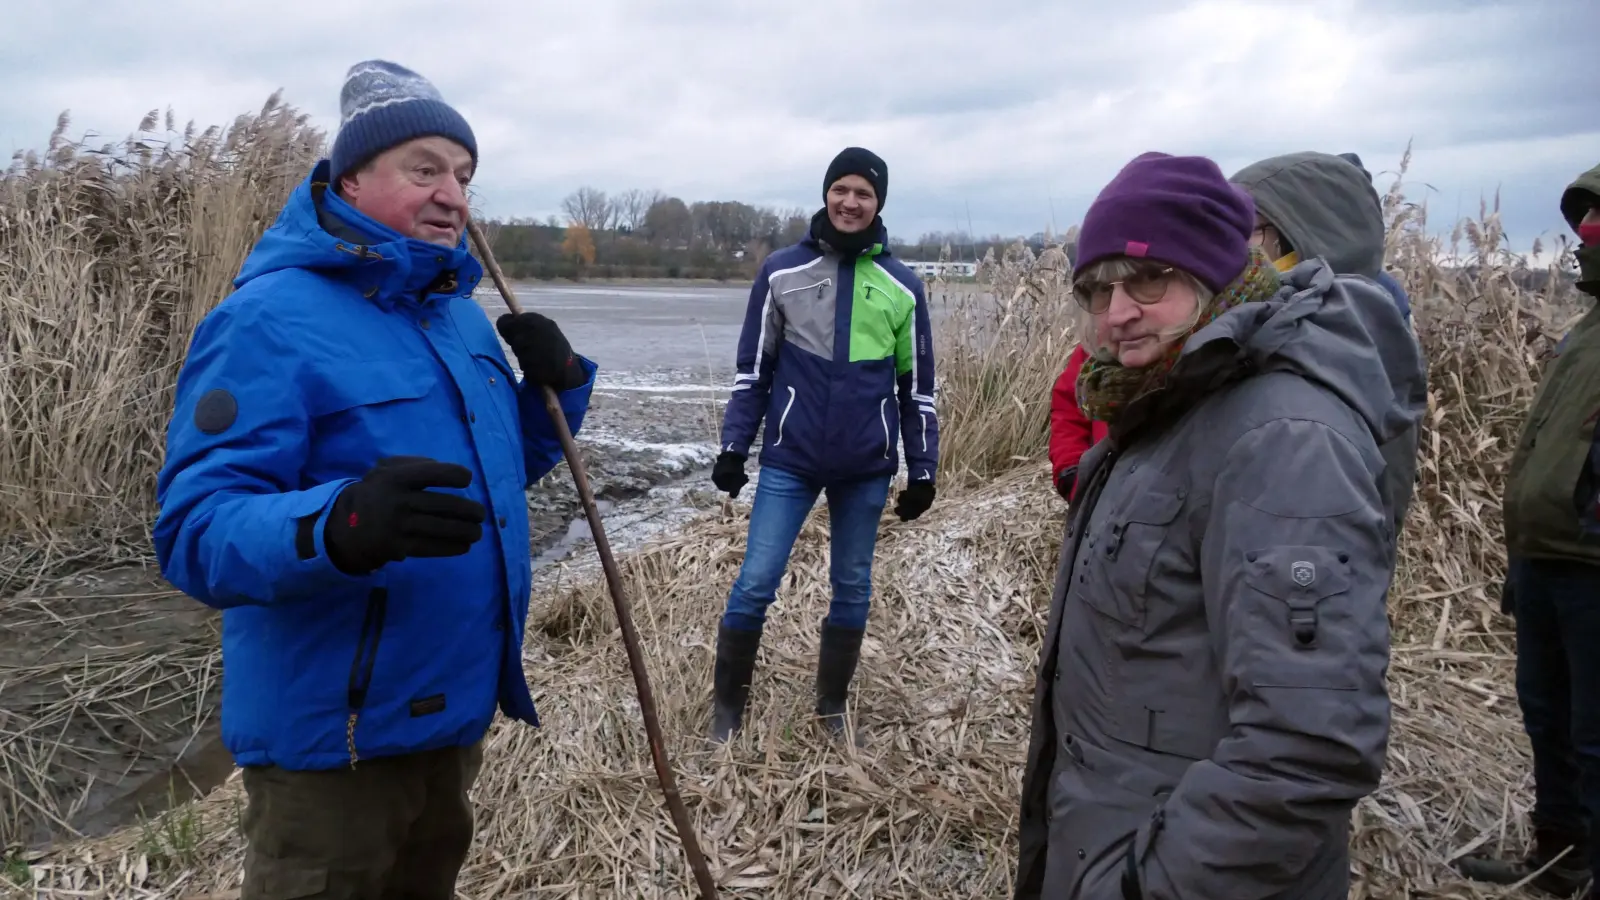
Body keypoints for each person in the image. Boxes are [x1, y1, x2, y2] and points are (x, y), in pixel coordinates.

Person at [152, 60, 595, 899]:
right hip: (336, 743)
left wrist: (557, 387)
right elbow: (194, 532)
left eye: (463, 176)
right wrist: (337, 525)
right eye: (423, 169)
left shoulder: (456, 313)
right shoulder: (267, 319)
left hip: (450, 718)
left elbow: (495, 483)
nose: (452, 196)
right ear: (350, 178)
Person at [1013, 152, 1425, 899]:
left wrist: (1145, 884)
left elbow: (1306, 748)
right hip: (1107, 836)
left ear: (1215, 277)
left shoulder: (1280, 441)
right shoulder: (1164, 405)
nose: (1116, 313)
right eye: (1095, 289)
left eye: (1147, 279)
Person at [707, 146, 940, 747]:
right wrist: (735, 446)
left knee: (853, 585)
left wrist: (923, 470)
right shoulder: (781, 272)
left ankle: (831, 708)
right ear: (826, 193)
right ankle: (728, 711)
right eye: (842, 189)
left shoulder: (904, 288)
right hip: (790, 457)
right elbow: (753, 370)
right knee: (756, 581)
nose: (851, 202)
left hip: (865, 466)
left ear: (878, 203)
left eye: (864, 193)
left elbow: (918, 390)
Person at [1456, 162, 1600, 899]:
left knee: (1595, 731)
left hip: (1592, 563)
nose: (1587, 234)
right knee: (1549, 714)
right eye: (1585, 219)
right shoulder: (1584, 334)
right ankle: (1560, 857)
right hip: (1546, 556)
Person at [1230, 149, 1427, 547]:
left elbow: (1382, 485)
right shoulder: (1271, 316)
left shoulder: (1355, 331)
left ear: (1294, 235)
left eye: (1243, 231)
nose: (1227, 248)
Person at [1048, 344, 1108, 501]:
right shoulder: (1095, 346)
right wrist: (1072, 474)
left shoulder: (1178, 354)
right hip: (1099, 496)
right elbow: (1069, 412)